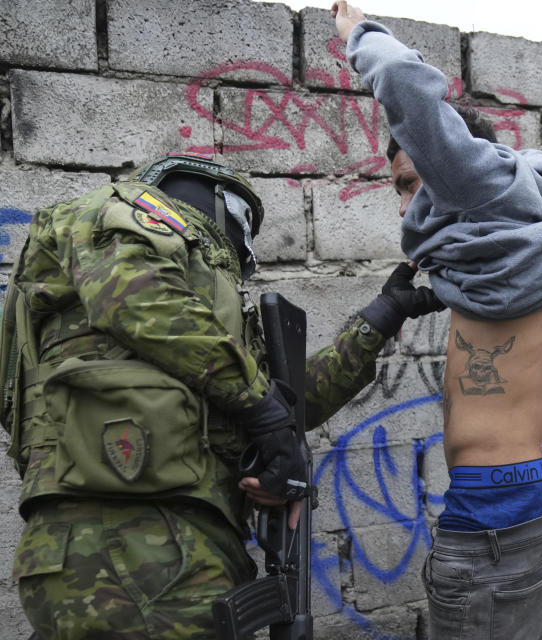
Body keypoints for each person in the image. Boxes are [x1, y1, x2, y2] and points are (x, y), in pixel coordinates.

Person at [0, 151, 443, 638]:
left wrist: (382, 316)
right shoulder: (112, 213)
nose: (244, 248)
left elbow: (290, 402)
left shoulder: (203, 343)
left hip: (172, 547)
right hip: (128, 547)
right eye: (242, 223)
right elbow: (137, 301)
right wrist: (264, 412)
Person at [331, 2, 542, 637]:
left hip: (495, 508)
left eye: (424, 179)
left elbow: (405, 85)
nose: (411, 203)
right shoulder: (509, 241)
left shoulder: (488, 208)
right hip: (536, 491)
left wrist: (356, 33)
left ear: (462, 168)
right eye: (399, 186)